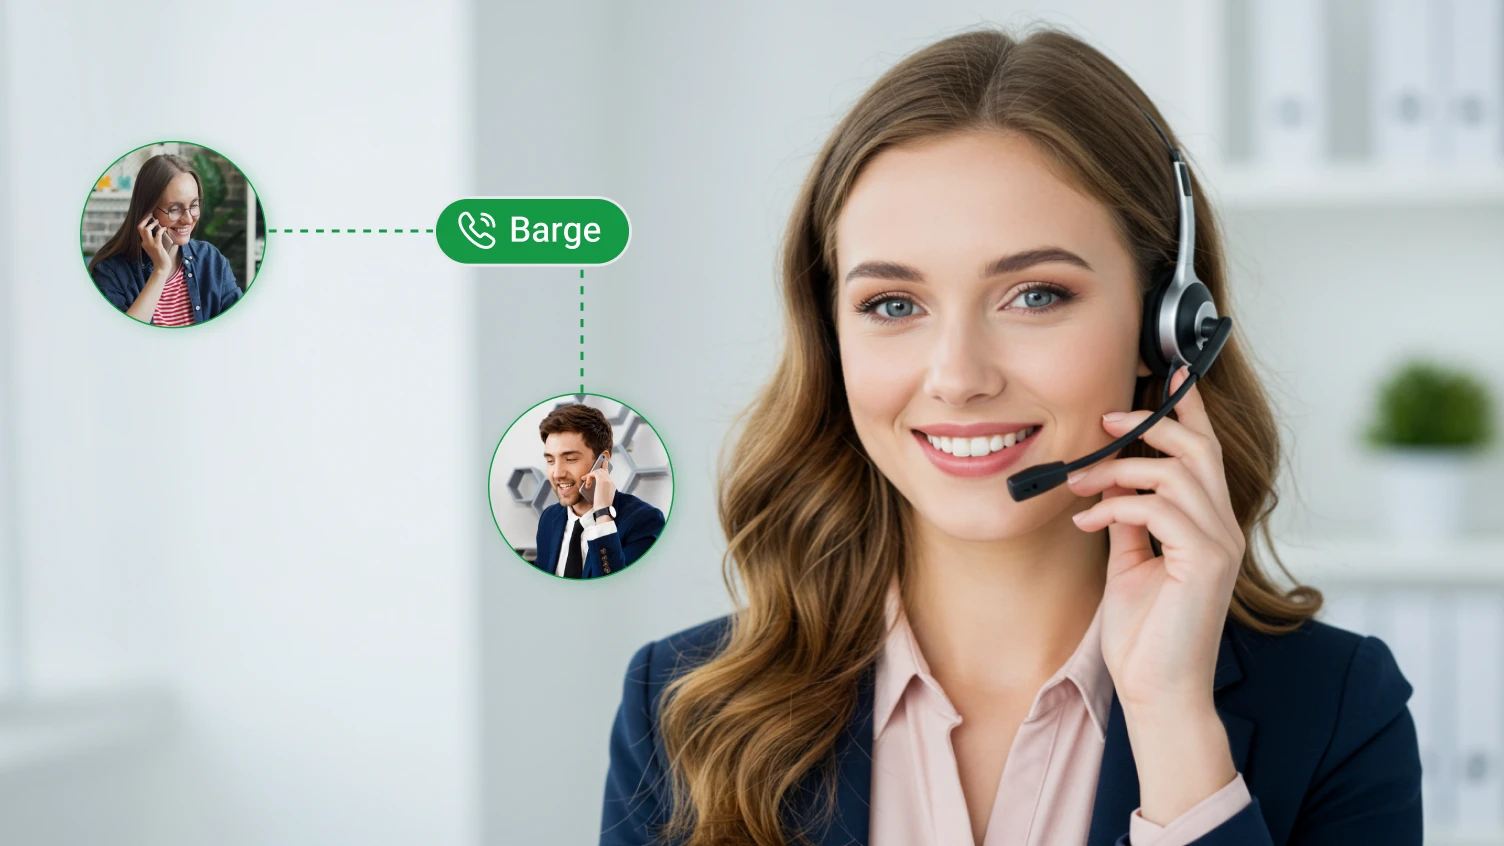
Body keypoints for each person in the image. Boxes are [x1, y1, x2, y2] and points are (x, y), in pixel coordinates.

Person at [599, 27, 1420, 846]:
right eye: (892, 304)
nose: (957, 376)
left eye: (1033, 295)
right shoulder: (680, 711)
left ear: (1167, 328)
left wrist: (1175, 727)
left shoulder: (1340, 712)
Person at [88, 153, 242, 326]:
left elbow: (239, 326)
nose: (188, 219)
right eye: (175, 209)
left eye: (194, 205)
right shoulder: (109, 271)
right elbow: (121, 340)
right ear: (148, 212)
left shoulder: (211, 259)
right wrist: (160, 270)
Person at [533, 404, 666, 579]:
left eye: (570, 459)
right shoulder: (549, 518)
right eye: (550, 461)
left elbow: (617, 591)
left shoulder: (644, 521)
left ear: (603, 461)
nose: (557, 473)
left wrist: (603, 513)